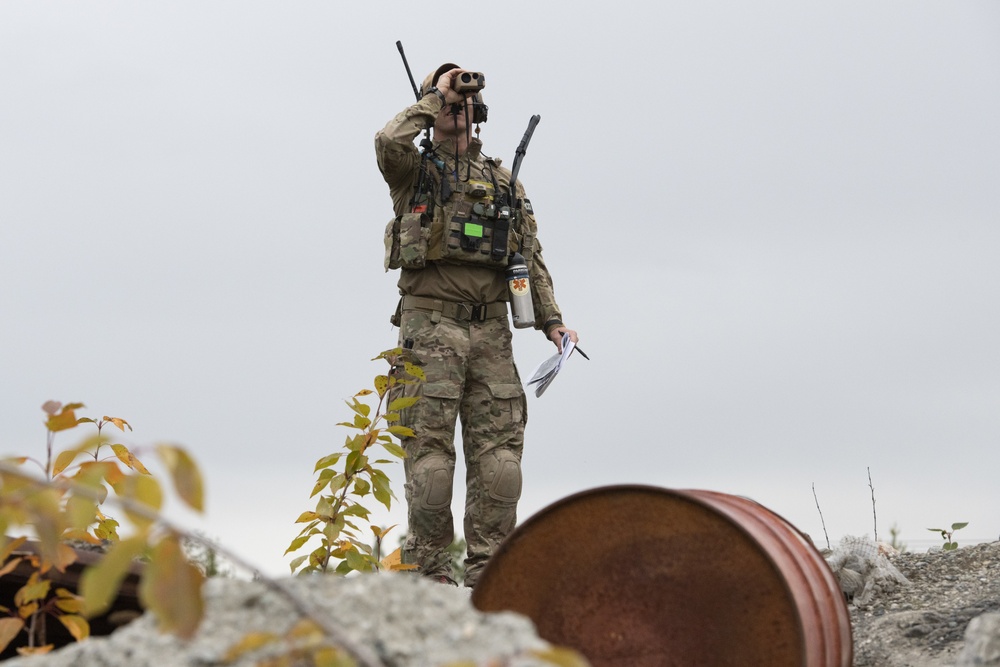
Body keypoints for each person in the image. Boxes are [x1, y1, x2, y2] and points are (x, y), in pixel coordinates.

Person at [374, 63, 578, 587]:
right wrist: (432, 99)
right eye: (445, 98)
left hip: (492, 333)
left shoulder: (503, 181)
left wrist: (552, 321)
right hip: (431, 332)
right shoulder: (414, 173)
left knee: (500, 466)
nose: (455, 104)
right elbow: (386, 139)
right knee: (431, 469)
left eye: (462, 96)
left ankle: (490, 576)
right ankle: (431, 574)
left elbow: (529, 257)